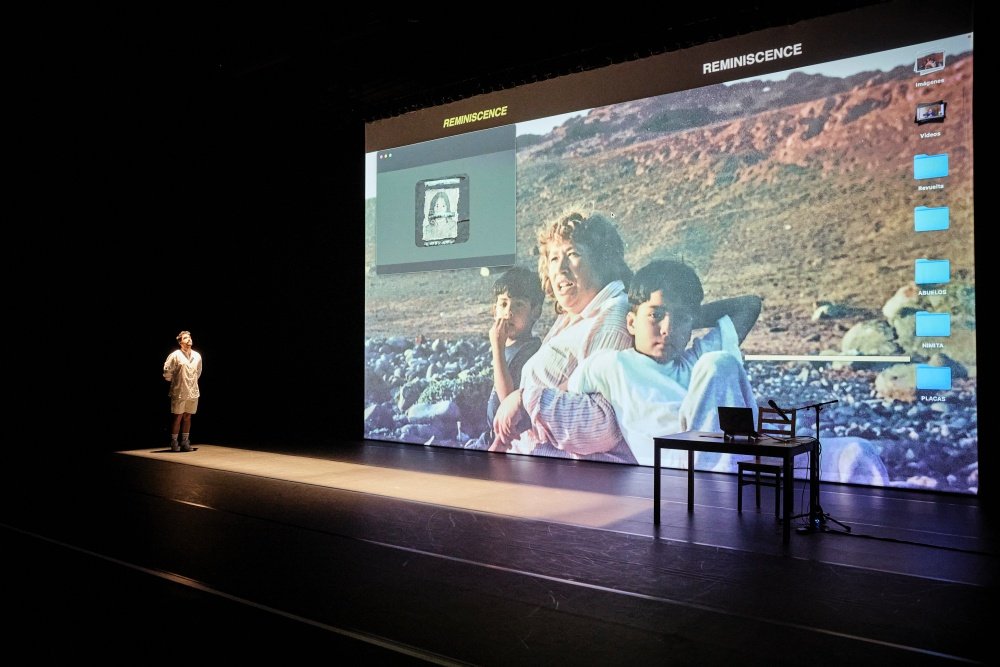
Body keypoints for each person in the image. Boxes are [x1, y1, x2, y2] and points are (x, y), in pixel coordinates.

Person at [566, 259, 761, 468]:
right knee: (718, 362)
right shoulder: (612, 365)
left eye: (680, 319)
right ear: (631, 322)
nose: (667, 328)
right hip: (676, 469)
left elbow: (750, 305)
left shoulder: (695, 364)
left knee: (721, 363)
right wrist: (681, 315)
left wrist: (687, 316)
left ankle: (745, 464)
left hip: (721, 458)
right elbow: (566, 393)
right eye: (655, 315)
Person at [489, 210, 636, 463]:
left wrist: (526, 400)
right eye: (554, 258)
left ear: (602, 261)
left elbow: (601, 426)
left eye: (573, 254)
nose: (560, 268)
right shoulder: (575, 317)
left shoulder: (613, 319)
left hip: (572, 483)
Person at [467, 266, 544, 448]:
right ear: (494, 311)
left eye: (518, 305)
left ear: (536, 312)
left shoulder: (529, 351)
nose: (508, 312)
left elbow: (508, 401)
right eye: (503, 303)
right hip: (492, 434)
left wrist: (497, 348)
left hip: (507, 439)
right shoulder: (507, 346)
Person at [163, 330, 202, 452]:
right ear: (180, 342)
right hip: (179, 391)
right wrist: (175, 382)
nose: (189, 339)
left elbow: (198, 372)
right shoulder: (175, 355)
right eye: (185, 338)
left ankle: (185, 441)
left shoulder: (197, 355)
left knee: (188, 416)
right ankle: (174, 442)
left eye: (189, 337)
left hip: (192, 390)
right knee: (178, 416)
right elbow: (167, 372)